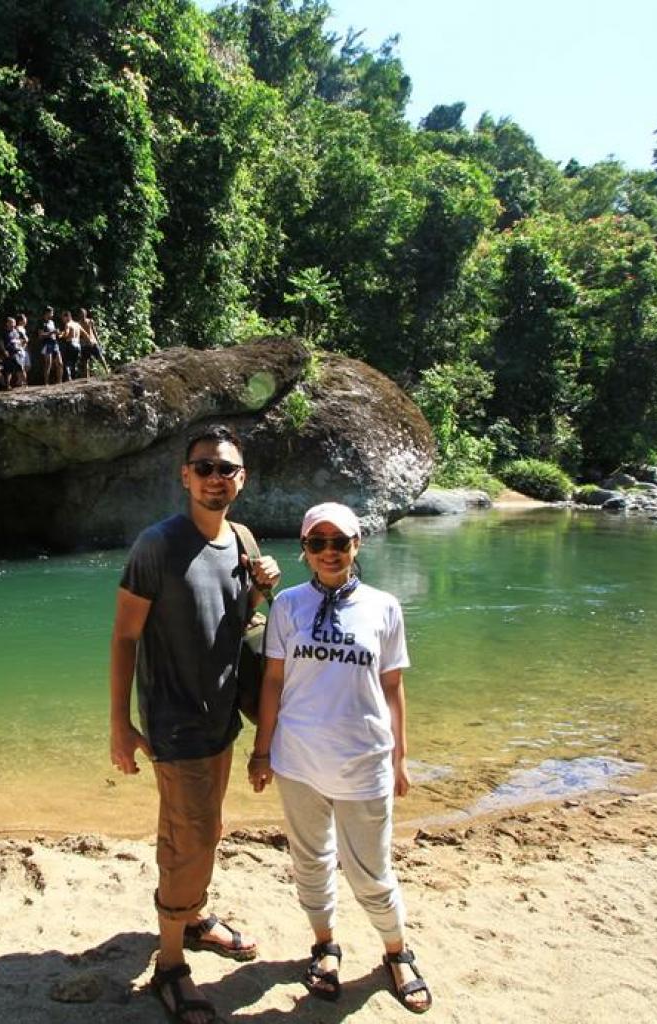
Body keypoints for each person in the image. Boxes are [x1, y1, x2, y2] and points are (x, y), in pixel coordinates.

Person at [110, 425, 282, 1024]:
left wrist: (260, 591)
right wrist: (120, 724)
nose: (215, 477)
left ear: (242, 479)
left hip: (220, 715)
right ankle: (170, 964)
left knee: (203, 827)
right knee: (190, 837)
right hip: (174, 720)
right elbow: (125, 637)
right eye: (203, 467)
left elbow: (235, 623)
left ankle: (193, 916)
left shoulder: (242, 540)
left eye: (225, 469)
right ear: (185, 477)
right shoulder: (156, 546)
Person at [248, 502, 432, 1014]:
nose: (329, 552)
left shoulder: (384, 607)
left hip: (365, 759)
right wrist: (261, 751)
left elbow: (392, 687)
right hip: (298, 760)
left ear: (357, 545)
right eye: (318, 543)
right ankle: (324, 947)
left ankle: (397, 952)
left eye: (339, 542)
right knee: (310, 861)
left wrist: (399, 758)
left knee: (371, 871)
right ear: (305, 550)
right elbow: (273, 682)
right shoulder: (287, 606)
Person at [78, 307, 107, 378]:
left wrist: (98, 340)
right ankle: (87, 377)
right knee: (85, 361)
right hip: (84, 344)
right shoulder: (78, 324)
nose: (82, 315)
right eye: (81, 314)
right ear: (79, 315)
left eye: (83, 314)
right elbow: (78, 335)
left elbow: (94, 331)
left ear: (86, 314)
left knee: (100, 357)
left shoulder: (90, 321)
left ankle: (107, 371)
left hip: (93, 342)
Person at [38, 306, 62, 385]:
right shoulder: (41, 322)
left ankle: (59, 382)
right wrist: (52, 332)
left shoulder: (52, 322)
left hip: (54, 343)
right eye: (51, 313)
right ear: (47, 313)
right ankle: (46, 383)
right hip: (47, 344)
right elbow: (40, 335)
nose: (53, 314)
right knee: (48, 363)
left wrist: (58, 333)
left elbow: (54, 333)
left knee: (60, 363)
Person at [1, 316, 26, 388]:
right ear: (7, 323)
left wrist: (21, 347)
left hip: (17, 352)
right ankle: (8, 385)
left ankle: (23, 383)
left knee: (20, 367)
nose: (13, 324)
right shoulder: (4, 332)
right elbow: (1, 342)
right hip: (9, 353)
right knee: (8, 370)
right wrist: (4, 351)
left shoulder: (16, 331)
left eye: (14, 322)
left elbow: (24, 340)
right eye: (11, 322)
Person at [60, 308, 82, 380]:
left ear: (67, 317)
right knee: (75, 363)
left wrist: (60, 335)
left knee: (67, 363)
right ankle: (75, 378)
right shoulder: (77, 324)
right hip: (78, 344)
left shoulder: (68, 324)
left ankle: (69, 378)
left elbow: (66, 334)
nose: (62, 319)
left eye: (63, 317)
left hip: (71, 344)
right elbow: (84, 333)